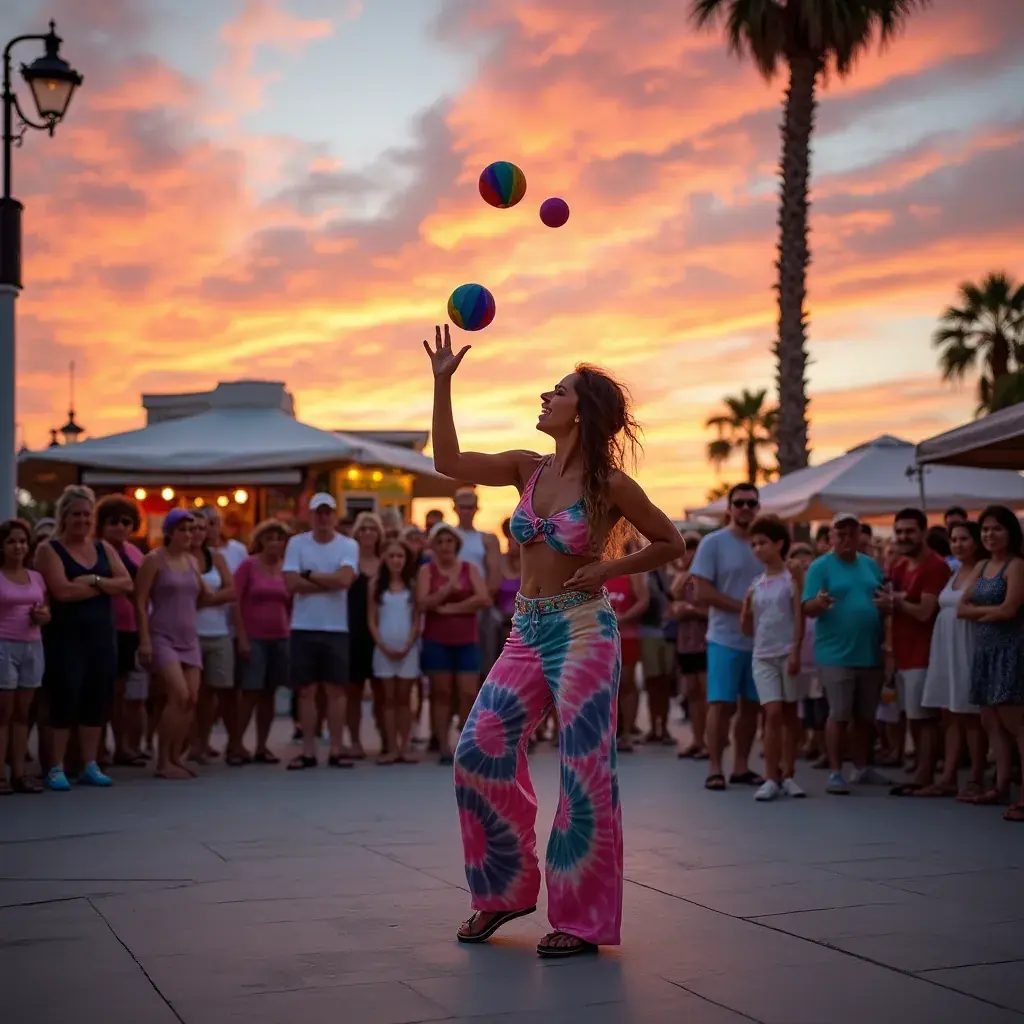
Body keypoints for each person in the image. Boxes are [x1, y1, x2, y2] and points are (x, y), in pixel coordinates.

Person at [425, 324, 685, 957]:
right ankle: (504, 893)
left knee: (586, 769)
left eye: (560, 391)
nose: (546, 395)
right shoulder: (527, 468)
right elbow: (447, 463)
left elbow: (670, 542)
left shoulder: (610, 486)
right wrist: (442, 385)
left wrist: (610, 568)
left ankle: (583, 920)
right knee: (479, 749)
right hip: (526, 628)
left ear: (582, 412)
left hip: (583, 630)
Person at [35, 486, 133, 790]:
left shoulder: (104, 548)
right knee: (64, 699)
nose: (82, 520)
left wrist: (93, 580)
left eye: (87, 515)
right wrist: (105, 586)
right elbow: (61, 591)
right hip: (64, 638)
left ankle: (90, 764)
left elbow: (126, 583)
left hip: (101, 636)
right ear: (64, 515)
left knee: (96, 699)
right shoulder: (49, 550)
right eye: (76, 514)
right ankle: (55, 767)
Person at [802, 513, 889, 796]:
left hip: (869, 651)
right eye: (840, 534)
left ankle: (861, 767)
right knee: (839, 714)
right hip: (835, 653)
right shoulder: (820, 567)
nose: (847, 539)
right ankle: (836, 771)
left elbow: (882, 597)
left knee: (865, 716)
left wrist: (887, 608)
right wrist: (819, 603)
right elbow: (806, 607)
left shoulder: (871, 565)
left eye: (852, 533)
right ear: (830, 538)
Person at [689, 483, 764, 791]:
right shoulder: (714, 543)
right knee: (720, 705)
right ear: (729, 508)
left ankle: (742, 766)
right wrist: (745, 608)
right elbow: (702, 590)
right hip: (724, 638)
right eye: (740, 503)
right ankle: (715, 766)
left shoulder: (765, 543)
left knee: (751, 706)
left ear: (758, 507)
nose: (745, 508)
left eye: (751, 503)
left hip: (761, 641)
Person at [283, 492, 359, 771]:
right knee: (306, 691)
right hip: (303, 625)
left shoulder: (348, 545)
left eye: (328, 512)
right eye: (319, 512)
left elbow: (345, 580)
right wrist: (329, 581)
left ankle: (336, 749)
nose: (324, 517)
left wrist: (310, 575)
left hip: (336, 627)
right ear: (312, 515)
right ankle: (308, 750)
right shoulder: (296, 543)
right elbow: (291, 583)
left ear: (334, 516)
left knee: (337, 691)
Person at [877, 508, 951, 797]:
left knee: (925, 718)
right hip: (902, 652)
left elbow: (924, 612)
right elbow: (889, 608)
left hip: (926, 652)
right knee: (912, 716)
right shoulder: (899, 566)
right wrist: (890, 649)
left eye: (910, 531)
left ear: (923, 532)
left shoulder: (935, 566)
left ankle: (925, 775)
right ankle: (921, 771)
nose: (904, 537)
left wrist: (896, 602)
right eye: (900, 532)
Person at [956, 505, 1024, 820]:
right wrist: (990, 612)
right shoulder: (982, 565)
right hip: (985, 651)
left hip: (1010, 651)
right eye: (985, 529)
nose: (989, 534)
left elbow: (1010, 609)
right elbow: (961, 608)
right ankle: (1000, 785)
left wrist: (983, 612)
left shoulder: (1016, 566)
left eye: (996, 528)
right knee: (990, 721)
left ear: (1009, 531)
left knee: (1015, 722)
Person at [135, 510, 204, 780]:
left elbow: (200, 596)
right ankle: (163, 760)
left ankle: (176, 756)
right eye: (183, 530)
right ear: (169, 532)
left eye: (192, 530)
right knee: (179, 694)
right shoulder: (154, 560)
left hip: (189, 637)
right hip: (162, 635)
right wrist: (144, 640)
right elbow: (139, 602)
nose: (189, 535)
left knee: (191, 700)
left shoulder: (192, 562)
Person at [741, 516, 806, 801]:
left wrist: (795, 650)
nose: (757, 549)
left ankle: (788, 774)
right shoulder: (756, 585)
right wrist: (744, 611)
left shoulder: (792, 580)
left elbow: (800, 616)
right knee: (772, 712)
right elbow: (747, 628)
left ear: (779, 544)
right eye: (754, 544)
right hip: (763, 656)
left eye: (763, 543)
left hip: (787, 653)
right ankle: (770, 776)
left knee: (791, 716)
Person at [921, 520, 986, 800]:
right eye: (954, 539)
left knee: (970, 714)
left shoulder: (982, 572)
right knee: (951, 714)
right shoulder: (955, 572)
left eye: (964, 539)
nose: (958, 544)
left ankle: (976, 777)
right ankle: (948, 776)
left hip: (967, 642)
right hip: (946, 644)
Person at [417, 523, 490, 763]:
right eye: (440, 542)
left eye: (449, 541)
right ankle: (444, 747)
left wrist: (450, 608)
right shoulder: (427, 571)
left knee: (468, 692)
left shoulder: (469, 568)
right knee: (441, 693)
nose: (445, 546)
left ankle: (466, 743)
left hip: (466, 639)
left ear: (456, 545)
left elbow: (483, 598)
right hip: (437, 639)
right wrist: (447, 589)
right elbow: (423, 603)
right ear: (434, 546)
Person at [95, 495, 147, 767]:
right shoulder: (97, 549)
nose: (120, 527)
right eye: (112, 521)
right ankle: (100, 747)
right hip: (105, 626)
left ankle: (123, 746)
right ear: (101, 524)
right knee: (106, 691)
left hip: (131, 627)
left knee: (125, 693)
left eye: (126, 522)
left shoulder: (135, 551)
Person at [234, 520, 292, 764]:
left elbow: (290, 603)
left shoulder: (287, 568)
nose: (275, 543)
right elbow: (234, 600)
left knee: (270, 692)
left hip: (280, 637)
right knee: (250, 691)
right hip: (254, 637)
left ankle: (261, 746)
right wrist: (242, 636)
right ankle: (235, 745)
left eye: (280, 539)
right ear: (261, 541)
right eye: (270, 538)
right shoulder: (249, 565)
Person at [0, 518, 48, 794]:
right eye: (11, 541)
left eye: (21, 541)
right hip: (4, 645)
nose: (18, 546)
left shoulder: (36, 577)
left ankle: (20, 773)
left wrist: (42, 617)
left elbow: (45, 610)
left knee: (23, 713)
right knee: (3, 713)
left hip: (33, 645)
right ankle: (1, 775)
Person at [190, 511, 240, 764]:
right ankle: (190, 744)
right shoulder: (179, 558)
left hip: (219, 632)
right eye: (195, 528)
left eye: (204, 527)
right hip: (189, 634)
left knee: (219, 691)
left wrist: (207, 599)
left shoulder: (217, 558)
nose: (200, 532)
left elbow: (232, 590)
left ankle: (208, 741)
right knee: (192, 694)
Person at [369, 539, 421, 764]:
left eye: (400, 556)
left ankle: (404, 746)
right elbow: (371, 619)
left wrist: (409, 643)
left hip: (407, 648)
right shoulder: (376, 585)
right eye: (391, 556)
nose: (396, 560)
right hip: (384, 648)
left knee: (404, 699)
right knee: (387, 700)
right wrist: (381, 644)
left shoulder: (413, 585)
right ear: (384, 559)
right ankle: (390, 746)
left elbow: (417, 619)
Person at [347, 511, 385, 758]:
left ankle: (386, 739)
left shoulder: (386, 562)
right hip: (353, 630)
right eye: (364, 529)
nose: (368, 533)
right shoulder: (348, 561)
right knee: (354, 691)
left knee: (382, 691)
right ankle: (355, 740)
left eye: (372, 529)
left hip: (382, 632)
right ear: (357, 534)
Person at [672, 531, 708, 759]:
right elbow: (672, 603)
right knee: (692, 692)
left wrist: (692, 611)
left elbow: (715, 609)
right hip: (686, 641)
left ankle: (707, 742)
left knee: (706, 693)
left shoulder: (706, 577)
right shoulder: (681, 577)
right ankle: (697, 739)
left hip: (705, 640)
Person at [605, 567, 648, 752]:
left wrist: (623, 618)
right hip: (600, 637)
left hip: (626, 636)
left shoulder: (633, 572)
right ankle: (606, 733)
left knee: (627, 683)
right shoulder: (598, 568)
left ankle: (627, 733)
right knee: (603, 686)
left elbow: (643, 600)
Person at [639, 554, 677, 745]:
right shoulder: (645, 577)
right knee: (653, 682)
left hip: (669, 634)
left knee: (666, 682)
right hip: (650, 632)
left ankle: (664, 726)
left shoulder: (674, 576)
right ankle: (655, 727)